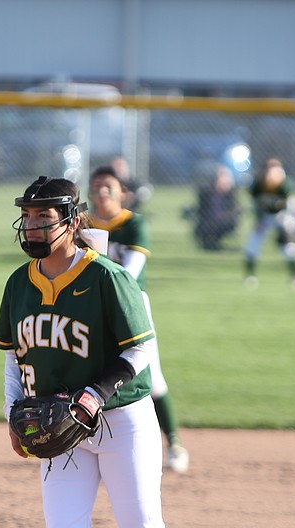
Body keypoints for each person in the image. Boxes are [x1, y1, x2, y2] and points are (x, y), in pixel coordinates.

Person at [0, 175, 229, 528]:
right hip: (60, 428)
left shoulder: (107, 277)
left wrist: (95, 394)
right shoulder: (18, 283)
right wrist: (13, 414)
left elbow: (141, 350)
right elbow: (15, 356)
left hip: (121, 419)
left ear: (71, 222)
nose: (31, 226)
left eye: (43, 218)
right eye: (27, 217)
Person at [85, 164, 190, 475]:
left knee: (151, 376)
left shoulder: (133, 224)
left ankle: (174, 443)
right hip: (90, 306)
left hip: (131, 306)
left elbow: (129, 273)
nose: (102, 191)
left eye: (109, 186)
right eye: (97, 186)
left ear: (123, 193)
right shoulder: (83, 222)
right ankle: (87, 444)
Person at [243, 157, 295, 290]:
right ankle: (249, 276)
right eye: (268, 169)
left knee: (290, 248)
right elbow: (255, 204)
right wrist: (258, 220)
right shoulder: (259, 183)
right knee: (252, 243)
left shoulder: (285, 183)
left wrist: (288, 220)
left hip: (283, 216)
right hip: (265, 217)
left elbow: (293, 204)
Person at [193, 164, 241, 251]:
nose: (228, 182)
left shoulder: (230, 195)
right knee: (215, 223)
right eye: (225, 178)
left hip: (223, 221)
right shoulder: (207, 192)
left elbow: (234, 209)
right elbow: (203, 210)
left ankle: (213, 243)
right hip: (207, 222)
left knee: (229, 222)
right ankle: (208, 242)